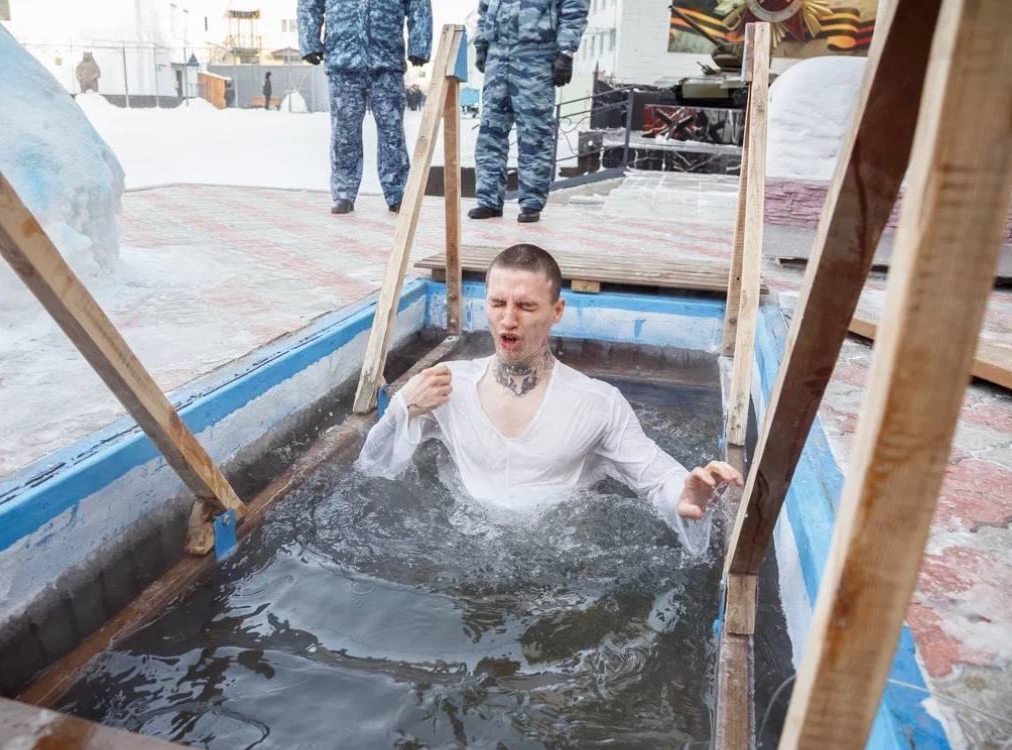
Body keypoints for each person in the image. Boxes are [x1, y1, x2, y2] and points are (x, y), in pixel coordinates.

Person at [356, 244, 742, 553]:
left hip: (560, 561)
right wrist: (402, 409)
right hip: (459, 549)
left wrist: (685, 496)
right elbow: (372, 469)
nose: (509, 319)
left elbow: (656, 477)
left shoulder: (596, 404)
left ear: (557, 311)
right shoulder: (446, 387)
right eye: (497, 303)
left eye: (525, 306)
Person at [299, 0, 432, 215]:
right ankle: (344, 193)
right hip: (343, 61)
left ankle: (398, 193)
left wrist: (420, 44)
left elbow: (419, 4)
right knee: (344, 133)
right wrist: (309, 42)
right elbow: (309, 4)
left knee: (392, 133)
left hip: (387, 60)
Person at [468, 0, 588, 224]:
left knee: (534, 133)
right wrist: (482, 43)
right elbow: (484, 8)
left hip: (536, 56)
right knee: (490, 133)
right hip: (498, 55)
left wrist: (565, 52)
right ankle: (488, 200)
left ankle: (531, 203)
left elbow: (574, 8)